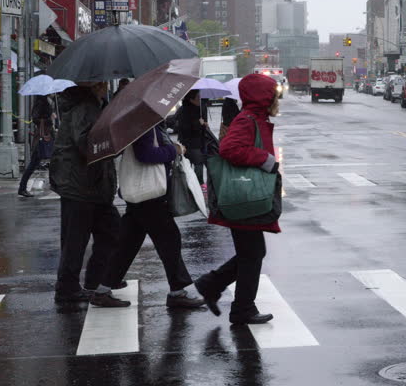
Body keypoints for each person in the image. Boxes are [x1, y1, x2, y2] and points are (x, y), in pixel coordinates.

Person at [194, 74, 280, 325]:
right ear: (264, 98)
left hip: (247, 195)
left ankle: (215, 287)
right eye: (274, 94)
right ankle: (240, 307)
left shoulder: (256, 118)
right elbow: (229, 149)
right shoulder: (248, 119)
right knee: (252, 253)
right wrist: (266, 160)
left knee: (251, 252)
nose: (278, 99)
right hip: (244, 195)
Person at [89, 123, 205, 309]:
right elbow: (146, 154)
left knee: (126, 246)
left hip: (140, 197)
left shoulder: (141, 124)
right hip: (149, 196)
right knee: (169, 241)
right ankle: (177, 292)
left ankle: (102, 291)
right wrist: (173, 150)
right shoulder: (143, 126)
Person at [49, 82, 121, 302]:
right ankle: (67, 288)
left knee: (112, 232)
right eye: (101, 82)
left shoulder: (94, 105)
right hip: (80, 185)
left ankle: (93, 281)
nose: (105, 85)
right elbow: (86, 143)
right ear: (93, 84)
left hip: (92, 185)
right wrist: (115, 141)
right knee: (76, 240)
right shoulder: (84, 107)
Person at [18, 95, 54, 197]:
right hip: (42, 137)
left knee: (51, 160)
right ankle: (22, 188)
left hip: (46, 135)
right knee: (33, 164)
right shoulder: (40, 103)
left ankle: (22, 187)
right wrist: (49, 119)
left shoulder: (46, 101)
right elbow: (35, 118)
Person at [178, 90, 208, 184]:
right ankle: (199, 183)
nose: (200, 99)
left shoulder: (198, 108)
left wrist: (204, 125)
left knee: (197, 163)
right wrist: (198, 123)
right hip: (190, 143)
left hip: (199, 142)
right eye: (198, 97)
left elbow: (200, 125)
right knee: (198, 163)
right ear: (191, 99)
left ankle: (195, 183)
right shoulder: (184, 110)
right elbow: (185, 128)